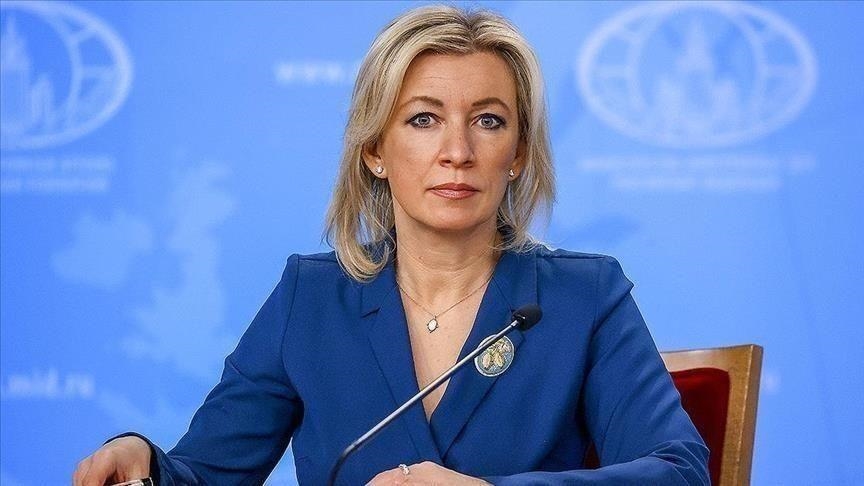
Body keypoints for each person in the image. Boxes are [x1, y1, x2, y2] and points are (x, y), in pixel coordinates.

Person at [73, 5, 709, 485]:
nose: (457, 151)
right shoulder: (310, 298)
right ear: (375, 149)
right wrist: (145, 462)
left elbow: (678, 471)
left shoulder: (583, 295)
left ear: (517, 154)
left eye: (488, 121)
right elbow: (207, 475)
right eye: (423, 119)